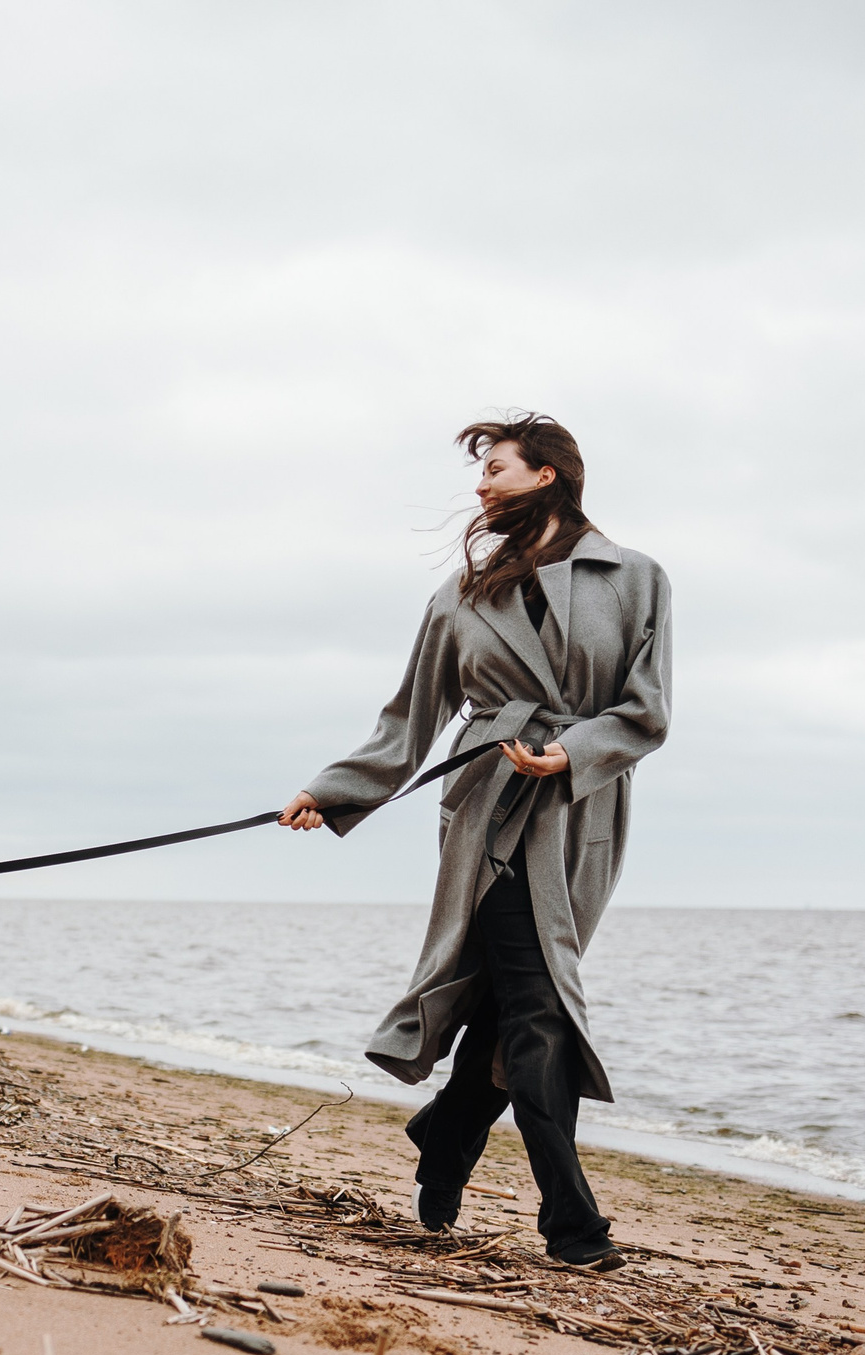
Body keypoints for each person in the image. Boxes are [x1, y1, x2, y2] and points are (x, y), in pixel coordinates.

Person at [280, 413, 669, 1270]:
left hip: (581, 810)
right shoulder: (457, 598)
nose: (482, 485)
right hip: (489, 809)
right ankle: (573, 1225)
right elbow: (407, 718)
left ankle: (450, 1132)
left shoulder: (636, 578)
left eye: (496, 468)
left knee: (506, 1000)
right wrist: (334, 791)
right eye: (481, 472)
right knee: (538, 1008)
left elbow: (648, 711)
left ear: (548, 476)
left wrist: (574, 752)